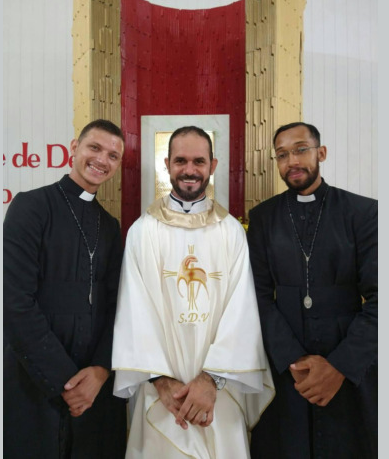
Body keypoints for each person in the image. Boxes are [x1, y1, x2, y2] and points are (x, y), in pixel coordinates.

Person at [112, 126, 274, 458]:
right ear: (167, 164)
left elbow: (242, 308)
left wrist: (211, 380)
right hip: (162, 392)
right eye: (181, 160)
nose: (190, 170)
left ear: (212, 165)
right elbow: (133, 308)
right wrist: (160, 380)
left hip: (219, 389)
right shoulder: (143, 231)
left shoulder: (230, 231)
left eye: (199, 161)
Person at [247, 122, 378, 458]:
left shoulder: (363, 212)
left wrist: (339, 367)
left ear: (321, 153)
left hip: (349, 367)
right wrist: (294, 360)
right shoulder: (262, 218)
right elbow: (256, 295)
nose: (292, 160)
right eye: (282, 154)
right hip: (286, 368)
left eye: (301, 149)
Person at [4, 119, 128, 458]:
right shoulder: (30, 207)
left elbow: (118, 305)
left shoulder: (110, 225)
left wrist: (102, 370)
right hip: (35, 379)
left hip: (94, 386)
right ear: (74, 148)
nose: (103, 160)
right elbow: (14, 301)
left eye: (113, 156)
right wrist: (65, 382)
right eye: (95, 148)